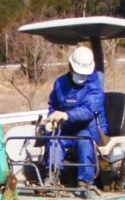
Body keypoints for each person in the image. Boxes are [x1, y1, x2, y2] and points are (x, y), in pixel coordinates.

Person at [43, 45, 107, 189]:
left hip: (89, 129)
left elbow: (88, 111)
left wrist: (66, 115)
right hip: (66, 129)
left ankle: (85, 182)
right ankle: (52, 178)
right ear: (70, 66)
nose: (81, 77)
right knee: (54, 139)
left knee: (84, 140)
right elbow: (53, 105)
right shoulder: (60, 84)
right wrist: (51, 119)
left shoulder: (95, 86)